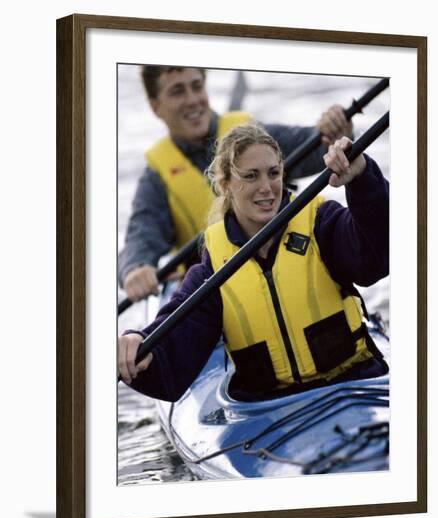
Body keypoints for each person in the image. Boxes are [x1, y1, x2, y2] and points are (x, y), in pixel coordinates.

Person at [118, 124, 389, 402]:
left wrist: (363, 177)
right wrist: (135, 345)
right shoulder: (213, 271)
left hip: (354, 383)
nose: (266, 188)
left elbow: (378, 257)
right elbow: (170, 363)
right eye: (250, 176)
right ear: (224, 185)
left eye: (274, 173)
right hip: (269, 409)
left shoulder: (321, 224)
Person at [118, 65, 353, 302]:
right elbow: (142, 234)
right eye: (177, 92)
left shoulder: (254, 137)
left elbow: (320, 147)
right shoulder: (157, 178)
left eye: (197, 87)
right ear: (155, 106)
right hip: (218, 297)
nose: (192, 100)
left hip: (284, 267)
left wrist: (337, 131)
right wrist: (135, 269)